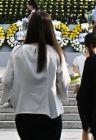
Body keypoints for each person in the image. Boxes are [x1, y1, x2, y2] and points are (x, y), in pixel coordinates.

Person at [1, 11, 70, 140]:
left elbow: (6, 81)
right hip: (50, 110)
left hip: (24, 111)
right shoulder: (55, 53)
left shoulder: (17, 52)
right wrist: (62, 96)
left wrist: (8, 100)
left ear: (30, 28)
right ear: (50, 29)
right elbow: (64, 82)